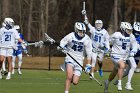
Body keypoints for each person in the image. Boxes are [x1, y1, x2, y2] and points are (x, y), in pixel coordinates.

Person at [58, 22, 92, 93]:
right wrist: (62, 47)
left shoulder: (87, 39)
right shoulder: (71, 36)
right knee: (69, 77)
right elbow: (62, 42)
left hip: (79, 60)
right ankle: (66, 91)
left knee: (75, 82)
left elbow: (89, 53)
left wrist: (88, 66)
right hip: (70, 58)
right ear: (76, 30)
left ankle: (69, 80)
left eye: (83, 31)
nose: (82, 33)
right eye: (80, 31)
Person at [104, 22, 137, 92]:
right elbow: (107, 40)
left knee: (116, 70)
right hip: (115, 55)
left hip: (124, 56)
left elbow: (135, 45)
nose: (130, 31)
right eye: (128, 30)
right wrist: (107, 48)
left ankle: (107, 82)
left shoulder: (131, 36)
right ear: (123, 29)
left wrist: (133, 51)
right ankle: (119, 85)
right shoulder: (116, 35)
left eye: (130, 30)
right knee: (122, 66)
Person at [81, 10, 110, 78]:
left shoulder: (105, 32)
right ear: (95, 25)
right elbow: (87, 22)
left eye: (99, 24)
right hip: (93, 48)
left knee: (100, 61)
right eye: (97, 24)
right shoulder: (93, 29)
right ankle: (92, 74)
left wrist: (107, 49)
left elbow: (107, 41)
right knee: (93, 59)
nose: (98, 25)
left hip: (101, 49)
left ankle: (100, 68)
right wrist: (84, 14)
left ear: (102, 25)